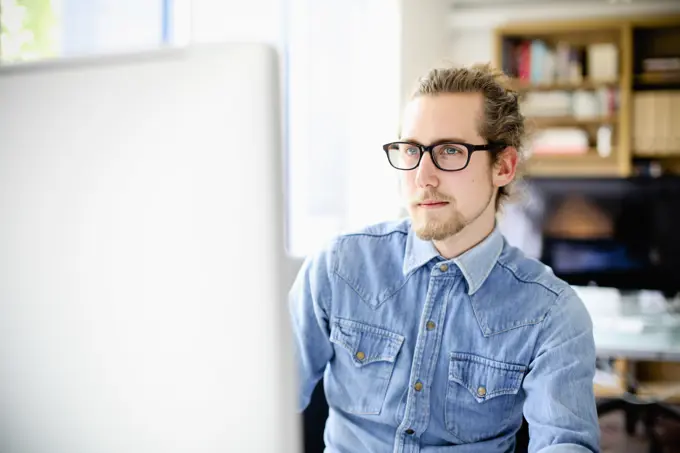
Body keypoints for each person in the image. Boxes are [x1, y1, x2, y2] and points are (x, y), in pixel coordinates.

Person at [289, 63, 599, 453]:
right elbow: (262, 402)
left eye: (450, 151)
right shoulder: (338, 267)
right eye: (412, 150)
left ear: (503, 165)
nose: (423, 176)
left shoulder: (551, 312)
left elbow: (566, 444)